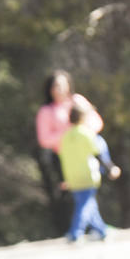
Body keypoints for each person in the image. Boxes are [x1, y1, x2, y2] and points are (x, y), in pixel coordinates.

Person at [35, 70, 104, 231]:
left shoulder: (78, 101)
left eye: (61, 85)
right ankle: (91, 229)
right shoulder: (46, 111)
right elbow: (44, 139)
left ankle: (93, 229)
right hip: (65, 158)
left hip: (88, 153)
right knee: (82, 194)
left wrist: (80, 133)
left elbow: (96, 122)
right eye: (55, 86)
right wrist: (69, 133)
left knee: (86, 193)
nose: (58, 89)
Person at [58, 102, 121, 242]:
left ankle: (102, 231)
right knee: (85, 205)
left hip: (72, 178)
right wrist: (111, 168)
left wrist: (64, 179)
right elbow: (98, 154)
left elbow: (62, 159)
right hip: (87, 176)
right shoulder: (86, 133)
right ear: (82, 117)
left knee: (88, 203)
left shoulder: (65, 137)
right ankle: (75, 233)